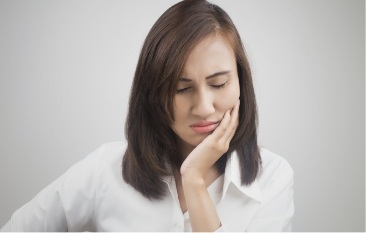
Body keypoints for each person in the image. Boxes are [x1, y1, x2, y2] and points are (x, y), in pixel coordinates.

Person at [1, 0, 294, 231]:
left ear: (241, 82)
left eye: (219, 84)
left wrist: (193, 179)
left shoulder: (273, 178)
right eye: (182, 89)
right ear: (153, 92)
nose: (204, 107)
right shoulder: (106, 169)